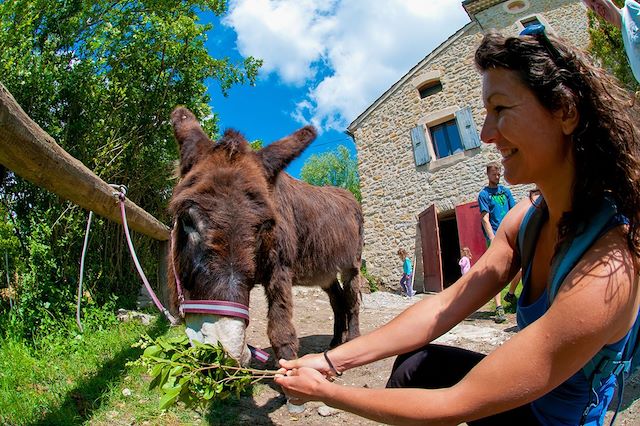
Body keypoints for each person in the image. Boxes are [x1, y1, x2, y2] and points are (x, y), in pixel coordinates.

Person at [275, 26, 640, 425]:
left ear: (565, 111)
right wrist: (330, 360)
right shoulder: (526, 221)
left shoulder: (606, 272)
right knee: (417, 364)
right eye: (484, 114)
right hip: (524, 406)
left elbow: (458, 402)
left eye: (500, 109)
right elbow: (445, 305)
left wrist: (325, 392)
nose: (485, 134)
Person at [478, 162, 520, 322]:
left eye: (499, 174)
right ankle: (498, 307)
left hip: (511, 234)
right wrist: (492, 238)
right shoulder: (484, 194)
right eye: (494, 174)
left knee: (520, 267)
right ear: (488, 175)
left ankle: (510, 295)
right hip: (495, 237)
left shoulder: (505, 191)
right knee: (497, 273)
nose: (497, 177)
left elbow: (513, 212)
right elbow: (484, 218)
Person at [582, 0, 640, 83]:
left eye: (594, 0)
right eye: (593, 8)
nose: (596, 7)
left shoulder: (630, 8)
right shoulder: (624, 35)